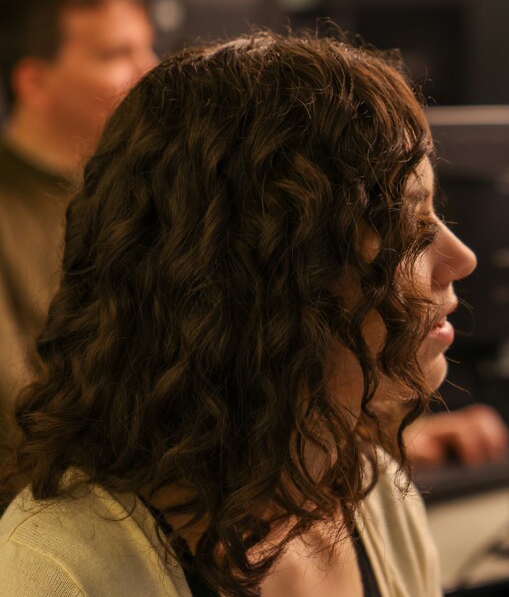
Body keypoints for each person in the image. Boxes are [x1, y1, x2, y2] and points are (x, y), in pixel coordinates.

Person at [0, 33, 476, 595]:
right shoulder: (58, 574)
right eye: (409, 227)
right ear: (273, 273)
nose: (461, 259)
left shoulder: (373, 490)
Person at [0, 0, 156, 422]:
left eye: (148, 46)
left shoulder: (153, 188)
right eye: (116, 54)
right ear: (35, 82)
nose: (149, 69)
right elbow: (13, 407)